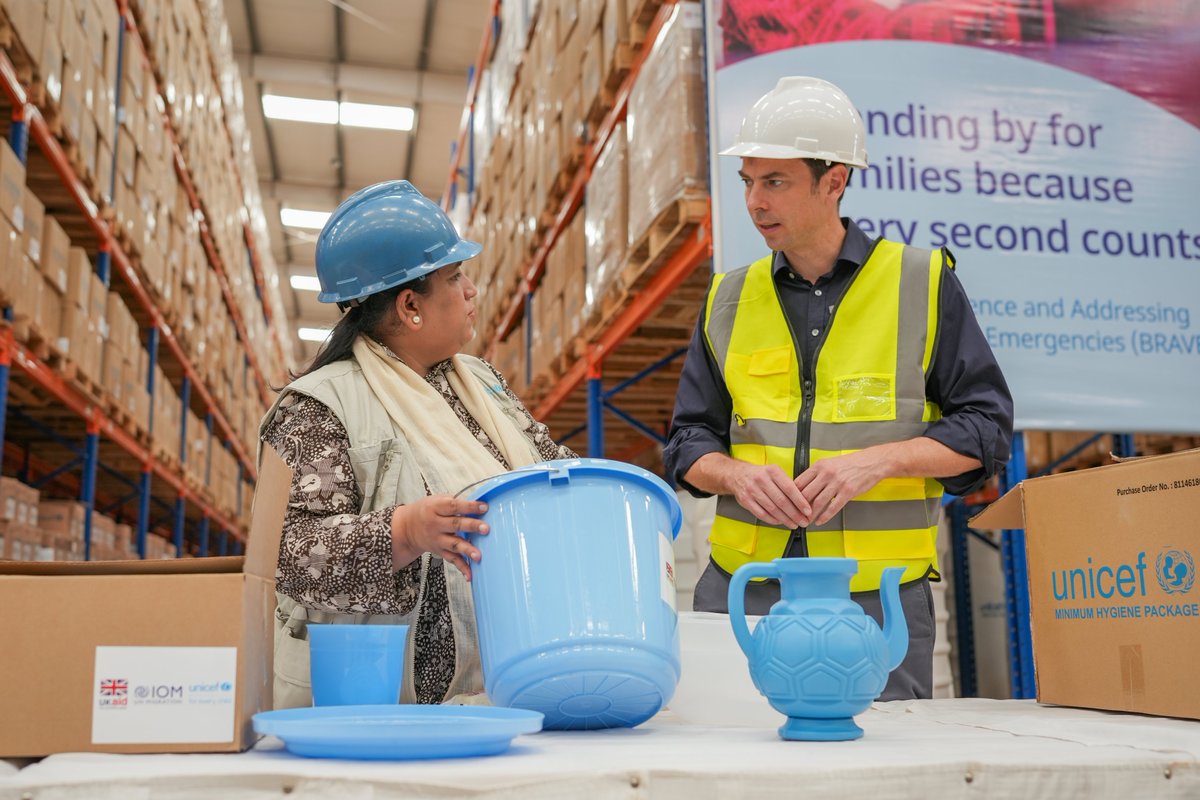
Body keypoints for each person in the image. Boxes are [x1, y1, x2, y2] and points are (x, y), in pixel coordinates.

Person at [663, 77, 1014, 700]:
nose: (755, 202)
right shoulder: (728, 298)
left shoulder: (920, 282)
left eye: (775, 182)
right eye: (747, 181)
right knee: (727, 748)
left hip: (874, 600)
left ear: (834, 181)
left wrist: (877, 462)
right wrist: (736, 476)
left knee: (881, 753)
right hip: (745, 591)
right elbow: (688, 441)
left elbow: (985, 430)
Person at [261, 180, 575, 709]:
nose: (472, 290)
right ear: (410, 305)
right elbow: (286, 555)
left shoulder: (482, 384)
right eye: (454, 277)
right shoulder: (318, 406)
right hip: (374, 712)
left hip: (502, 699)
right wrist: (404, 531)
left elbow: (549, 467)